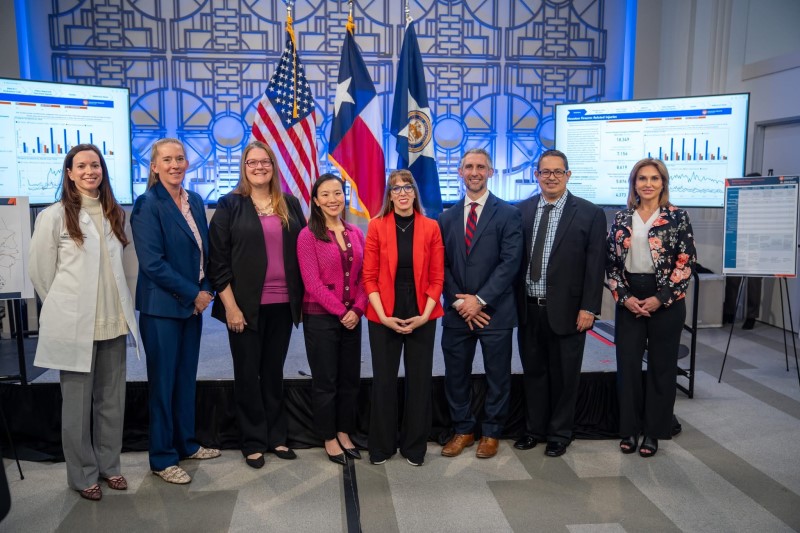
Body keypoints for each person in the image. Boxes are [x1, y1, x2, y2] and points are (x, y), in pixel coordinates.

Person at [29, 144, 140, 501]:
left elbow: (129, 270)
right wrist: (66, 308)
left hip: (113, 321)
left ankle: (110, 467)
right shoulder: (54, 215)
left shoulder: (116, 214)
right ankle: (82, 475)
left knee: (112, 402)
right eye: (82, 166)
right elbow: (41, 273)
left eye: (95, 165)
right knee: (76, 408)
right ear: (69, 173)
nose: (90, 171)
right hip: (74, 326)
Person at [208, 140, 305, 468]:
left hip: (282, 304)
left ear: (273, 166)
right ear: (244, 167)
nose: (259, 167)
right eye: (252, 162)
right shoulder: (229, 205)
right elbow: (217, 262)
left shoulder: (290, 204)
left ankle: (276, 437)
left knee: (273, 373)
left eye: (265, 162)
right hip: (245, 307)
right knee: (247, 374)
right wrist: (231, 307)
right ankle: (252, 441)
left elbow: (304, 251)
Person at [131, 138, 220, 484]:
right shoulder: (146, 205)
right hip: (163, 309)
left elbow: (205, 252)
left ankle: (186, 443)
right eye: (166, 159)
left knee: (185, 379)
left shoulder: (194, 200)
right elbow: (153, 262)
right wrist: (194, 294)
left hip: (192, 306)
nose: (174, 164)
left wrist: (207, 287)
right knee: (163, 384)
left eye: (180, 158)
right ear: (154, 166)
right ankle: (162, 457)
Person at [514, 149, 606, 458]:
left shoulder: (590, 214)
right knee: (534, 373)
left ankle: (559, 433)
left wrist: (590, 307)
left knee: (566, 376)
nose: (551, 177)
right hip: (528, 308)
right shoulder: (522, 211)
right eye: (545, 172)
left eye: (558, 172)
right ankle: (534, 429)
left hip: (569, 310)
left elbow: (596, 265)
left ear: (568, 175)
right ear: (536, 175)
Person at [607, 157, 696, 458]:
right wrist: (625, 297)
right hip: (630, 298)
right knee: (628, 368)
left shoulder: (678, 217)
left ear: (663, 183)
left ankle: (655, 432)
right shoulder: (621, 218)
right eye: (641, 178)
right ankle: (629, 429)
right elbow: (611, 265)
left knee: (662, 369)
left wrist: (661, 298)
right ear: (634, 184)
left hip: (667, 302)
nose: (647, 184)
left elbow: (686, 263)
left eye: (654, 179)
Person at [438, 148, 523, 460]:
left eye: (481, 167)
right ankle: (463, 429)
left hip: (495, 312)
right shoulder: (445, 217)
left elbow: (510, 262)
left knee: (497, 376)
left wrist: (481, 300)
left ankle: (491, 433)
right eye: (468, 167)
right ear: (460, 173)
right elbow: (441, 265)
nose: (474, 172)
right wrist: (463, 304)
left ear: (491, 172)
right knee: (455, 375)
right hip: (458, 312)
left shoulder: (509, 214)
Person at [362, 169, 444, 466]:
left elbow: (437, 276)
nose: (402, 192)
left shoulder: (431, 227)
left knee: (419, 380)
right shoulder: (376, 226)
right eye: (396, 188)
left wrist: (424, 315)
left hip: (422, 309)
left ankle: (414, 447)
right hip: (383, 309)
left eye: (407, 186)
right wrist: (383, 316)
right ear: (389, 194)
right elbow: (368, 277)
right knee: (384, 380)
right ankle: (382, 446)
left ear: (414, 192)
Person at [296, 173, 367, 465]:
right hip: (321, 318)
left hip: (353, 317)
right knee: (326, 380)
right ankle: (328, 436)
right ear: (315, 200)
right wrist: (343, 312)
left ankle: (344, 431)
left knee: (350, 379)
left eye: (337, 193)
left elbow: (365, 277)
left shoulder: (355, 232)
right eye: (325, 194)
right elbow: (311, 283)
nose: (332, 200)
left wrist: (358, 310)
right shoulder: (307, 235)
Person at [723, 173, 763, 330]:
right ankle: (729, 312)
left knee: (753, 283)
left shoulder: (765, 203)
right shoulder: (737, 200)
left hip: (756, 246)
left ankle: (751, 316)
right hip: (737, 244)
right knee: (732, 281)